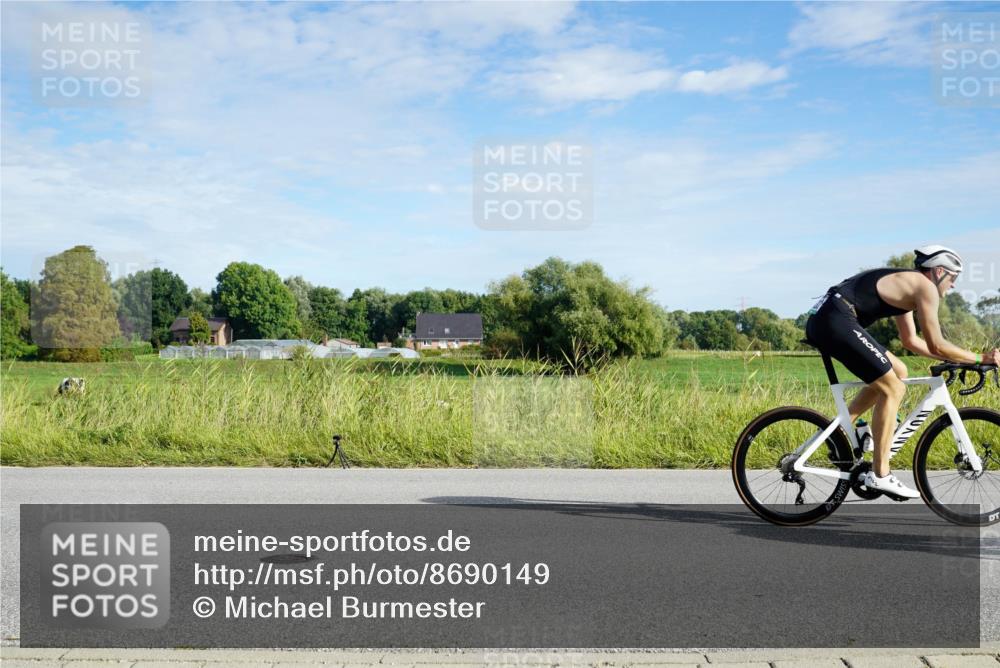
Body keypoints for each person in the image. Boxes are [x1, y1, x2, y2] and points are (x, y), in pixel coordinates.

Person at [805, 245, 1000, 500]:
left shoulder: (908, 286)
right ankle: (881, 474)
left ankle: (841, 429)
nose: (952, 286)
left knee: (900, 370)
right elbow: (937, 344)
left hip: (830, 317)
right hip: (835, 320)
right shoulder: (925, 287)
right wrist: (980, 358)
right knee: (894, 388)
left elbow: (912, 341)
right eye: (953, 278)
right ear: (939, 271)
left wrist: (960, 360)